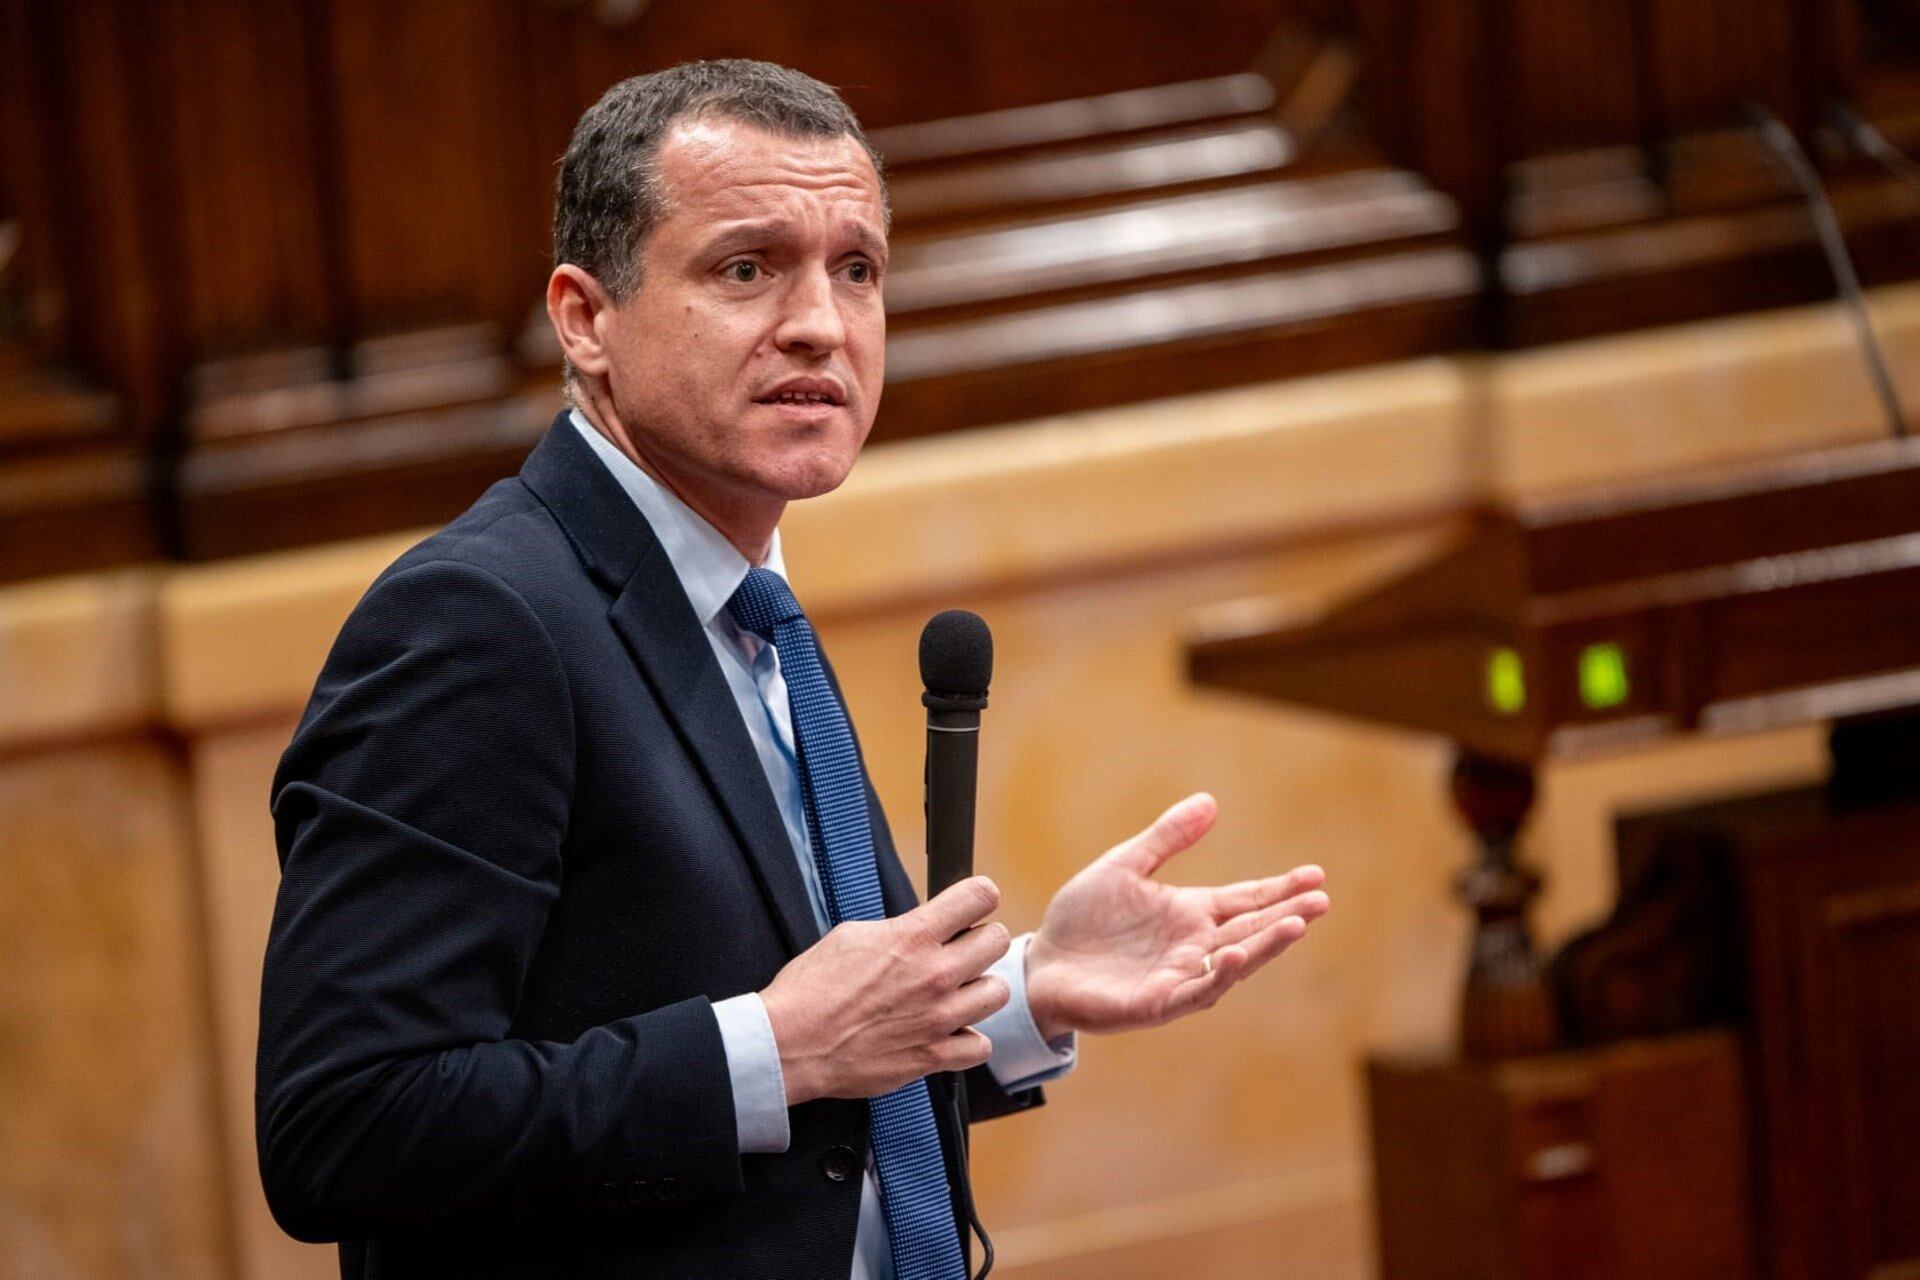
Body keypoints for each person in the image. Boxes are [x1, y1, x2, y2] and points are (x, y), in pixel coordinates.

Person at [257, 59, 1330, 1280]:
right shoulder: (479, 622)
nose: (821, 322)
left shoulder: (748, 605)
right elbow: (344, 1123)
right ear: (585, 318)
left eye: (856, 268)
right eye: (747, 268)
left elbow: (813, 1070)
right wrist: (775, 1049)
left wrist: (1028, 988)